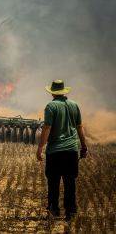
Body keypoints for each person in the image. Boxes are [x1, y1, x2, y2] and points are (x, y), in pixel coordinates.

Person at [36, 80, 88, 220]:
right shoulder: (74, 105)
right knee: (69, 182)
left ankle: (54, 210)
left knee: (53, 182)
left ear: (52, 92)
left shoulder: (51, 106)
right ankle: (70, 212)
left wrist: (40, 147)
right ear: (64, 91)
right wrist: (84, 147)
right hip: (71, 150)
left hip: (54, 151)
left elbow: (47, 128)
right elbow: (80, 127)